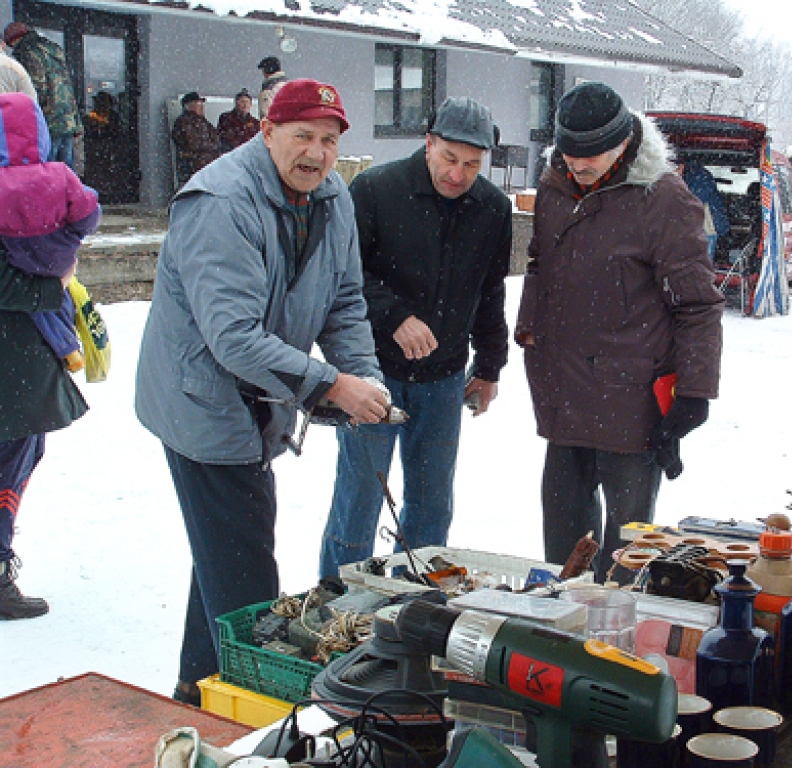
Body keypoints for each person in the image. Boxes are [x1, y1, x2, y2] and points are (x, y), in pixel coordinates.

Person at [135, 78, 390, 704]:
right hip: (201, 401)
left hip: (257, 403)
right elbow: (235, 340)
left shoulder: (332, 197)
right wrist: (331, 384)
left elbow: (345, 303)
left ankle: (198, 691)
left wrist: (367, 377)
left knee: (225, 551)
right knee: (249, 578)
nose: (316, 152)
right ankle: (260, 713)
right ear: (266, 131)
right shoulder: (221, 201)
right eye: (302, 135)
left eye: (328, 140)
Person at [515, 82, 724, 581]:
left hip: (631, 406)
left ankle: (614, 640)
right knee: (563, 546)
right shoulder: (553, 187)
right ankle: (560, 633)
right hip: (563, 392)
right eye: (570, 154)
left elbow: (697, 305)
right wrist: (529, 331)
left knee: (626, 552)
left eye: (594, 155)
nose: (580, 166)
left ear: (626, 143)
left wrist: (693, 394)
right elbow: (540, 265)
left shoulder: (664, 200)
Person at [319, 97, 511, 577]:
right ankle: (338, 598)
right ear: (428, 143)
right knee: (361, 495)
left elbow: (490, 291)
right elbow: (343, 274)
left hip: (443, 379)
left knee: (432, 503)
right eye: (449, 158)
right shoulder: (376, 189)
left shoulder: (492, 208)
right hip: (371, 373)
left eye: (472, 164)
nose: (458, 174)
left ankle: (418, 602)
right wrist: (395, 316)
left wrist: (489, 366)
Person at [0, 94, 100, 620]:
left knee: (18, 457)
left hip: (22, 356)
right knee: (10, 463)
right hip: (14, 357)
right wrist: (50, 288)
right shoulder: (50, 183)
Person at [0, 92, 100, 374]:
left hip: (16, 251)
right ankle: (69, 343)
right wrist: (77, 233)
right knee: (59, 292)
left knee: (38, 301)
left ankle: (67, 347)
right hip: (56, 246)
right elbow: (86, 210)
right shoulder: (59, 173)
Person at [3, 22, 81, 168]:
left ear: (14, 38)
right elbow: (66, 85)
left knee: (46, 172)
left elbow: (37, 88)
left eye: (10, 44)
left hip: (48, 121)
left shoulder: (27, 51)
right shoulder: (53, 48)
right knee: (66, 174)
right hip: (68, 119)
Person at [680, 159, 730, 256]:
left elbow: (692, 203)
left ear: (682, 165)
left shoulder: (699, 178)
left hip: (706, 229)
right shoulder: (695, 177)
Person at [172, 91, 221, 186]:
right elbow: (193, 144)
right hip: (194, 165)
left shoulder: (204, 121)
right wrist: (210, 147)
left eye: (201, 104)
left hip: (208, 164)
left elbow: (216, 137)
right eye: (198, 104)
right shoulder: (184, 122)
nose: (201, 107)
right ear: (187, 106)